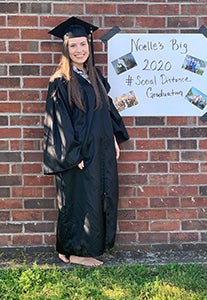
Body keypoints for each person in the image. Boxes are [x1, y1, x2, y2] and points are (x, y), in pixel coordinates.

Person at [43, 17, 129, 266]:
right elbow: (57, 121)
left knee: (96, 197)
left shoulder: (93, 75)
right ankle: (76, 253)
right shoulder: (61, 81)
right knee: (78, 199)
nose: (79, 50)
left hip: (100, 150)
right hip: (80, 153)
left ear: (88, 45)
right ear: (66, 49)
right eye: (73, 46)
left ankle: (76, 249)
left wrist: (113, 137)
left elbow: (106, 109)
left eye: (83, 44)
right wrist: (72, 154)